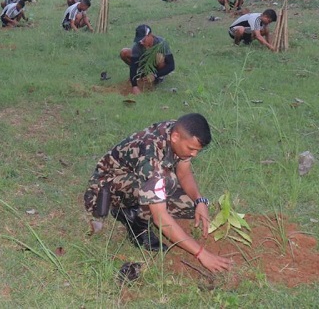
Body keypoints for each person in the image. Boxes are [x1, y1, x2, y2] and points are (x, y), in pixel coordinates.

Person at [83, 113, 233, 273]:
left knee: (189, 207)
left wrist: (199, 201)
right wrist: (201, 254)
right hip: (103, 191)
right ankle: (137, 224)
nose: (194, 154)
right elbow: (160, 218)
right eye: (191, 149)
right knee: (167, 180)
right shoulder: (151, 157)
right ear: (175, 137)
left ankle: (133, 210)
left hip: (136, 179)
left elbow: (184, 172)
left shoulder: (178, 133)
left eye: (197, 150)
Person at [120, 24, 175, 95]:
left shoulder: (162, 43)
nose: (141, 43)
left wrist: (155, 75)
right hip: (144, 64)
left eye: (143, 40)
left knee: (159, 56)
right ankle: (141, 74)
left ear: (150, 35)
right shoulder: (137, 47)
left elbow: (171, 66)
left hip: (157, 68)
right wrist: (134, 86)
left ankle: (159, 78)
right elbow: (133, 66)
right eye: (139, 41)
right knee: (124, 52)